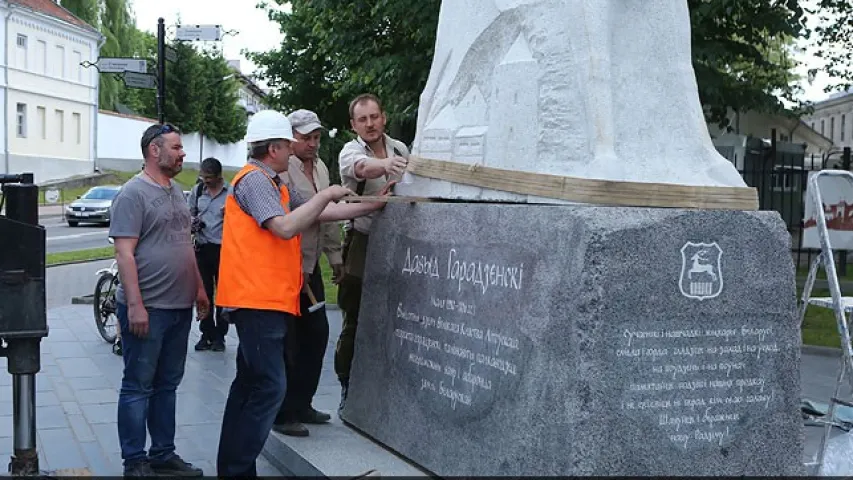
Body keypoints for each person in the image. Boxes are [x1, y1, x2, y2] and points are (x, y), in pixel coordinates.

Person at [215, 109, 393, 477]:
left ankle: (234, 467)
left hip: (265, 301)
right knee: (269, 386)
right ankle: (238, 468)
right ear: (275, 147)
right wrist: (327, 193)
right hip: (256, 301)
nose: (296, 149)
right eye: (289, 143)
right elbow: (284, 227)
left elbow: (318, 214)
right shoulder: (255, 182)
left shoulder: (275, 182)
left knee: (250, 386)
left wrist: (372, 205)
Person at [109, 123, 209, 477]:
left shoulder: (177, 192)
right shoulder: (132, 194)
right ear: (155, 150)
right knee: (138, 385)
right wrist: (134, 305)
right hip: (147, 307)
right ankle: (135, 460)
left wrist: (198, 288)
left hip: (179, 307)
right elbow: (124, 254)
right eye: (177, 147)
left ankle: (163, 453)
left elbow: (186, 244)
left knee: (168, 384)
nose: (183, 154)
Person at [335, 93, 409, 413]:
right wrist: (384, 165)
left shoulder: (400, 149)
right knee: (355, 318)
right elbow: (361, 168)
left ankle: (386, 387)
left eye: (374, 117)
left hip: (399, 244)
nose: (370, 124)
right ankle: (347, 386)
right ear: (353, 125)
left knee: (395, 316)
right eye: (362, 119)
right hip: (362, 241)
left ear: (384, 118)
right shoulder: (351, 150)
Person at [272, 109, 344, 437]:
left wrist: (335, 256)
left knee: (316, 335)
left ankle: (303, 403)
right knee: (291, 340)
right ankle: (283, 412)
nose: (313, 144)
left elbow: (327, 216)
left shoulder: (322, 167)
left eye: (316, 137)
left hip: (311, 267)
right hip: (288, 269)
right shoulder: (280, 169)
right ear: (290, 139)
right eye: (306, 138)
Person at [187, 157, 230, 352]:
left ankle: (220, 336)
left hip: (224, 249)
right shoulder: (197, 192)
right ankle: (206, 334)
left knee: (223, 295)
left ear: (218, 176)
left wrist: (230, 214)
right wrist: (193, 222)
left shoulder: (231, 193)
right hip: (202, 248)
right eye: (203, 177)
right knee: (203, 294)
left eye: (209, 178)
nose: (206, 181)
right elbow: (188, 215)